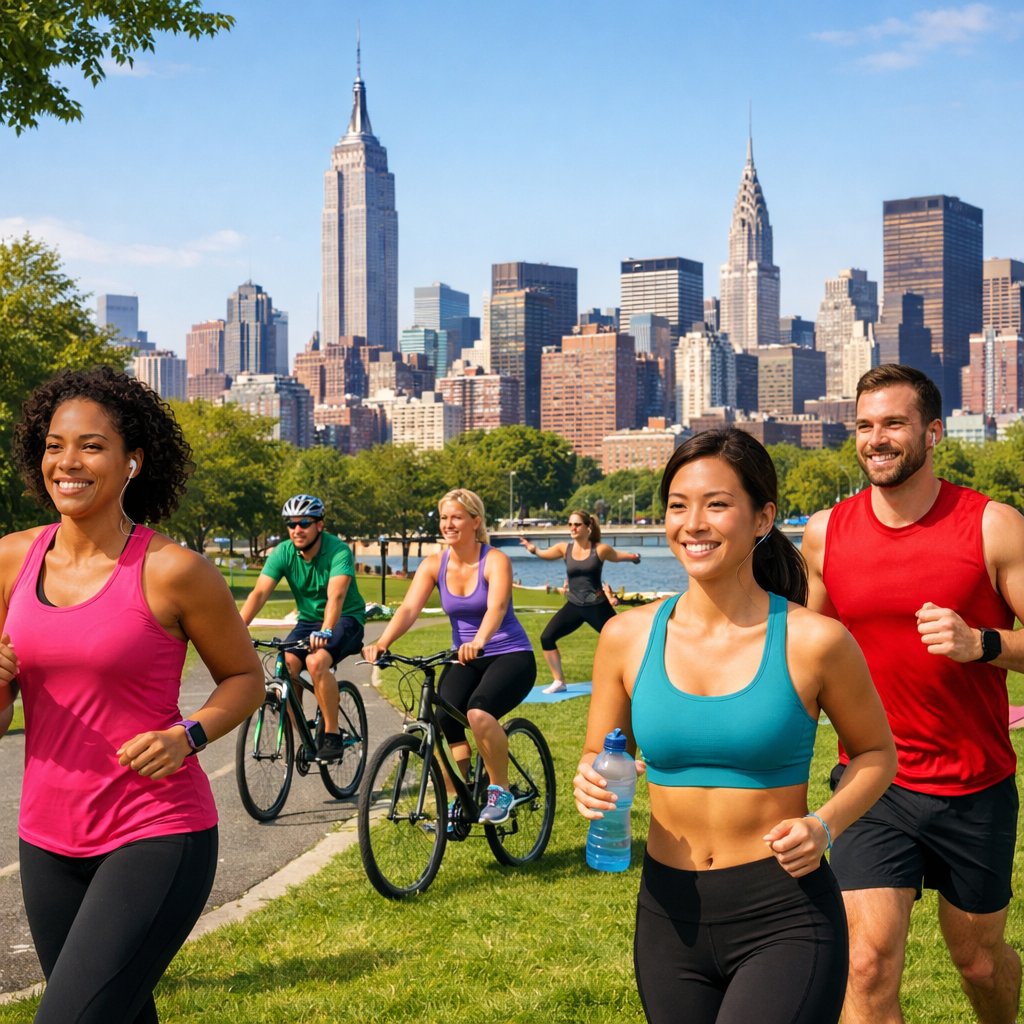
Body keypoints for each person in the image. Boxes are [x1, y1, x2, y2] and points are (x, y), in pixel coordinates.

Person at [574, 428, 896, 1024]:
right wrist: (589, 779)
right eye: (678, 505)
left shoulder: (814, 640)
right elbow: (599, 750)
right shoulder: (626, 637)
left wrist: (824, 826)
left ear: (762, 518)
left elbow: (877, 754)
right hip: (668, 914)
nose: (693, 523)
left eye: (716, 504)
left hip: (785, 912)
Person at [0, 366, 264, 1024]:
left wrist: (189, 735)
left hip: (154, 833)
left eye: (91, 446)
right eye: (55, 445)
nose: (68, 462)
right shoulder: (10, 561)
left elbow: (245, 678)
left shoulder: (175, 571)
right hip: (46, 839)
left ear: (132, 461)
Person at [801, 363, 1024, 1024]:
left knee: (979, 963)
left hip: (974, 785)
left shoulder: (993, 526)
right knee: (865, 963)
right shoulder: (825, 533)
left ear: (932, 433)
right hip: (875, 781)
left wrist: (982, 643)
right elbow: (805, 656)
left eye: (894, 423)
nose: (877, 439)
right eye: (865, 426)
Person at [363, 488, 536, 824]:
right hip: (465, 657)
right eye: (444, 517)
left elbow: (497, 607)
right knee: (440, 721)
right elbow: (410, 608)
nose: (448, 524)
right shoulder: (434, 565)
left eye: (457, 517)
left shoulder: (495, 560)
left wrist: (480, 639)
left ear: (475, 521)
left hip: (509, 654)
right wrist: (382, 641)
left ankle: (500, 791)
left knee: (478, 713)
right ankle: (465, 792)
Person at [239, 494, 366, 761]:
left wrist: (327, 630)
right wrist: (237, 629)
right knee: (284, 667)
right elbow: (259, 594)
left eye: (304, 523)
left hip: (346, 618)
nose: (297, 529)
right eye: (291, 524)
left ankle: (331, 735)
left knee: (317, 661)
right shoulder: (283, 552)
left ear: (319, 525)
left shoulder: (338, 550)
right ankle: (305, 736)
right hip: (308, 622)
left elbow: (336, 597)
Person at [520, 509, 640, 693]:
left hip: (598, 607)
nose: (573, 528)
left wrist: (633, 557)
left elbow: (617, 556)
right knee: (547, 637)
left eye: (577, 524)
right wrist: (533, 549)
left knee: (621, 641)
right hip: (574, 606)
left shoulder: (599, 549)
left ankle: (634, 677)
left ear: (588, 527)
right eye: (570, 524)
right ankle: (559, 681)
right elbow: (545, 554)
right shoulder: (564, 548)